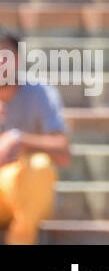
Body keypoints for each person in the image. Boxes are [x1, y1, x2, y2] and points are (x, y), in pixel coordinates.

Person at [0, 31, 71, 244]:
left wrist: (18, 139)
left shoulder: (39, 93)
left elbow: (63, 154)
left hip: (28, 191)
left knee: (39, 166)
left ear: (18, 59)